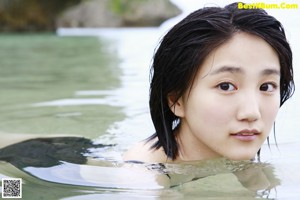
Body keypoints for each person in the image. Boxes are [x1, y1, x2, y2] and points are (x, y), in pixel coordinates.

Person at [123, 2, 294, 163]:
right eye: (225, 86)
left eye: (266, 86)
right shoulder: (142, 175)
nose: (252, 113)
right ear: (176, 100)